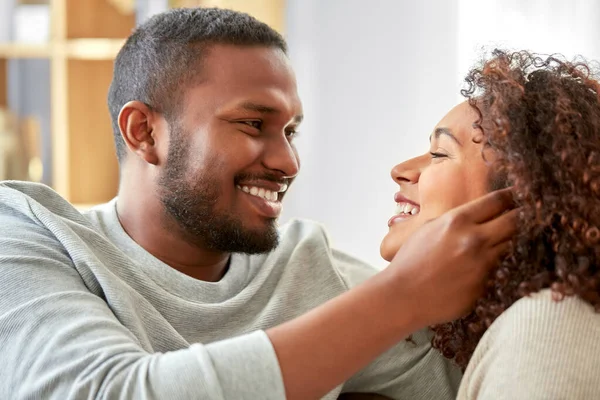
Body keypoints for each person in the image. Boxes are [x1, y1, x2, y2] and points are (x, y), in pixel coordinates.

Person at [0, 8, 517, 400]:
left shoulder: (308, 268)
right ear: (144, 132)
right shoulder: (33, 234)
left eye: (290, 131)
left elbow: (492, 373)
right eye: (254, 124)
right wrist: (403, 294)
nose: (288, 161)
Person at [380, 49, 600, 399]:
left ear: (521, 198)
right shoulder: (502, 331)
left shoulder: (546, 329)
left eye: (439, 154)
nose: (401, 170)